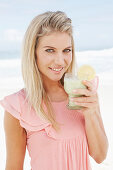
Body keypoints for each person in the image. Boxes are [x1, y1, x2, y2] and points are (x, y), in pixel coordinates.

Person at [0, 11, 108, 170]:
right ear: (34, 52)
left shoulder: (84, 94)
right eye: (50, 50)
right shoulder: (18, 107)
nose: (60, 61)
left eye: (66, 50)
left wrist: (91, 113)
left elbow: (100, 156)